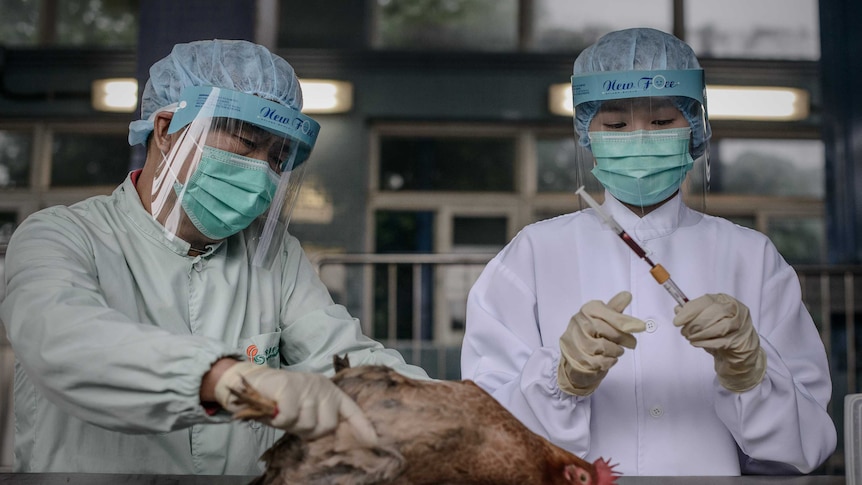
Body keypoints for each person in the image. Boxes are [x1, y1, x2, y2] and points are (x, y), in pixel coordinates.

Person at [0, 39, 429, 474]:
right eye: (245, 143)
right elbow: (64, 340)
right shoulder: (62, 235)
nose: (262, 171)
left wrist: (450, 410)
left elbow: (344, 355)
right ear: (166, 130)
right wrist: (229, 380)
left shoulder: (273, 254)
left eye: (278, 158)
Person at [460, 28, 836, 476]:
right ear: (587, 133)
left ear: (695, 129)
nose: (638, 139)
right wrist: (558, 382)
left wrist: (751, 377)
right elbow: (485, 438)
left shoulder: (752, 257)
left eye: (661, 122)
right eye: (616, 125)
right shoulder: (530, 257)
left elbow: (806, 449)